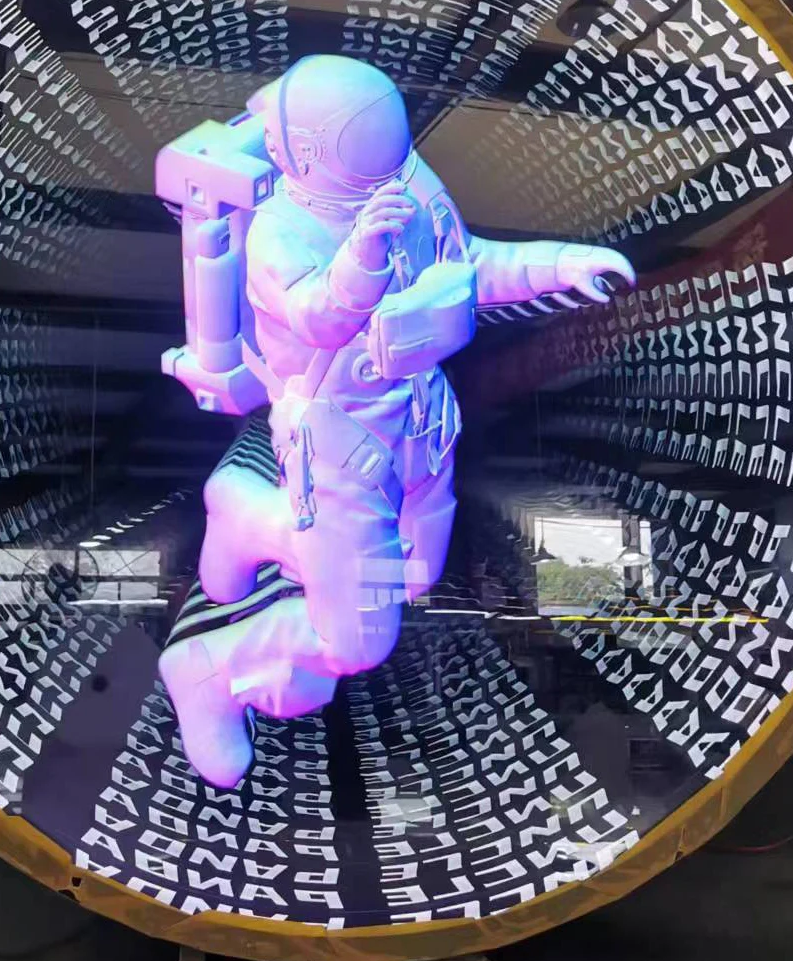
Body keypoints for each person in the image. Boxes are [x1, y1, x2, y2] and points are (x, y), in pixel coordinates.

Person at [159, 55, 635, 788]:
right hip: (338, 441)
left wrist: (558, 264)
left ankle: (249, 518)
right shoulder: (279, 233)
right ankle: (209, 671)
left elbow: (467, 264)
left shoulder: (399, 182)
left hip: (420, 419)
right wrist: (364, 254)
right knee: (355, 640)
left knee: (414, 572)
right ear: (302, 153)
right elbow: (319, 316)